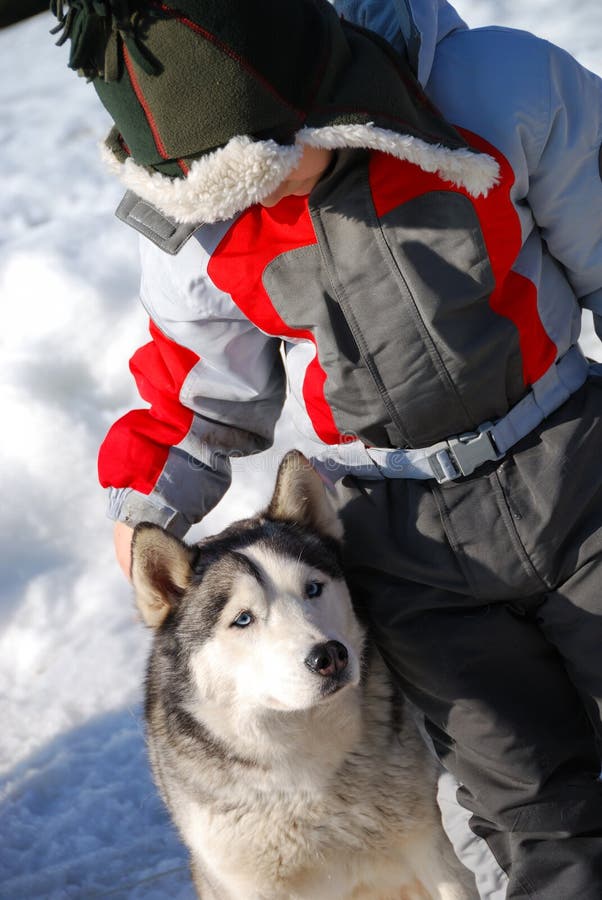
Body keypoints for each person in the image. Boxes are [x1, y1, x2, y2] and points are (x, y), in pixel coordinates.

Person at [51, 0, 602, 897]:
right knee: (535, 807)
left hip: (575, 470)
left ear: (325, 97)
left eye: (264, 168)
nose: (253, 201)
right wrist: (148, 497)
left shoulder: (494, 96)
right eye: (219, 193)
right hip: (410, 551)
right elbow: (200, 387)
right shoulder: (206, 224)